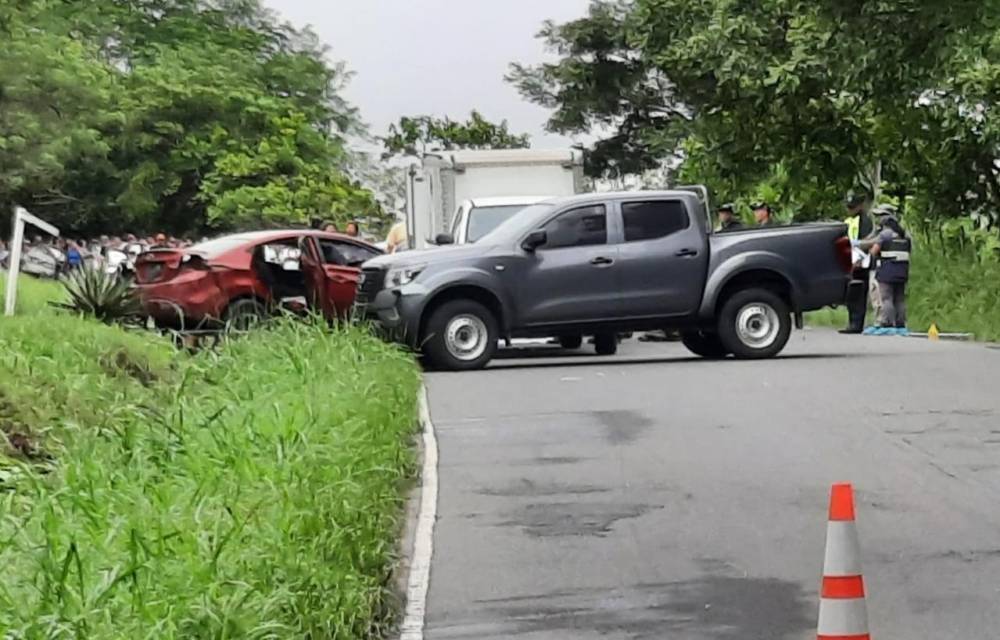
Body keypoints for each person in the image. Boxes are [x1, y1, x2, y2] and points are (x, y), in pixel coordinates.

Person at [859, 205, 911, 335]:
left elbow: (874, 251)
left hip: (887, 270)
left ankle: (887, 322)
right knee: (899, 299)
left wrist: (869, 251)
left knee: (886, 298)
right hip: (902, 270)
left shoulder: (884, 234)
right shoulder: (904, 234)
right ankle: (900, 323)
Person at [840, 193, 875, 334]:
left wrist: (860, 260)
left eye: (852, 207)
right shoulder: (849, 221)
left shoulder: (865, 221)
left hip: (860, 262)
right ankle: (852, 322)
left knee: (859, 294)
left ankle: (856, 324)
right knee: (851, 294)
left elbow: (866, 242)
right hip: (850, 260)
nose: (850, 209)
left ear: (860, 206)